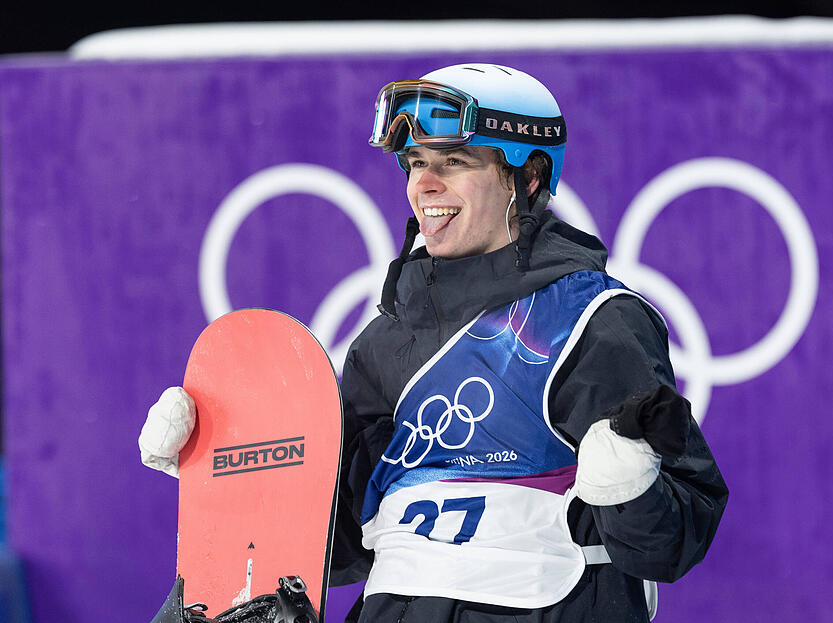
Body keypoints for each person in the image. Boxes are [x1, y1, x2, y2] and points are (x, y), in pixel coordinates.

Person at [141, 63, 728, 623]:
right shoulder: (386, 341)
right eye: (414, 162)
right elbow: (342, 547)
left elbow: (671, 545)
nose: (424, 184)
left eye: (453, 161)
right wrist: (228, 472)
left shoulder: (593, 322)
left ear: (527, 178)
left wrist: (628, 486)